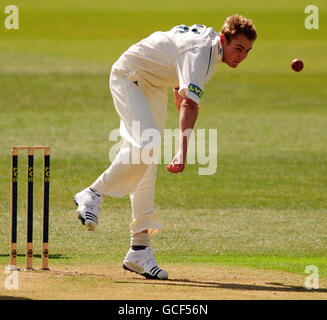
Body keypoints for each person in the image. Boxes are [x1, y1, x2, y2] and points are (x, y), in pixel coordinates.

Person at [74, 14, 257, 280]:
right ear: (223, 39)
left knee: (147, 161)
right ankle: (93, 193)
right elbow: (189, 105)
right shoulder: (203, 53)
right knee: (148, 144)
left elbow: (179, 87)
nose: (241, 56)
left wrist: (183, 103)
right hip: (129, 75)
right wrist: (182, 150)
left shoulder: (210, 51)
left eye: (247, 51)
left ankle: (139, 250)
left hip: (152, 84)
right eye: (238, 48)